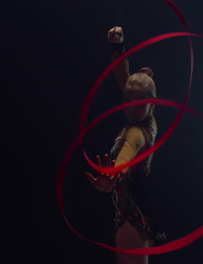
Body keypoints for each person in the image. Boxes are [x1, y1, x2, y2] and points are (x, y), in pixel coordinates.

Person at [85, 26, 165, 264]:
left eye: (137, 103)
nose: (129, 108)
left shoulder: (137, 131)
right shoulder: (148, 116)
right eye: (126, 100)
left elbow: (128, 151)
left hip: (131, 218)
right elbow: (123, 77)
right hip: (139, 210)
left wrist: (113, 174)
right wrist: (117, 47)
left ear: (151, 102)